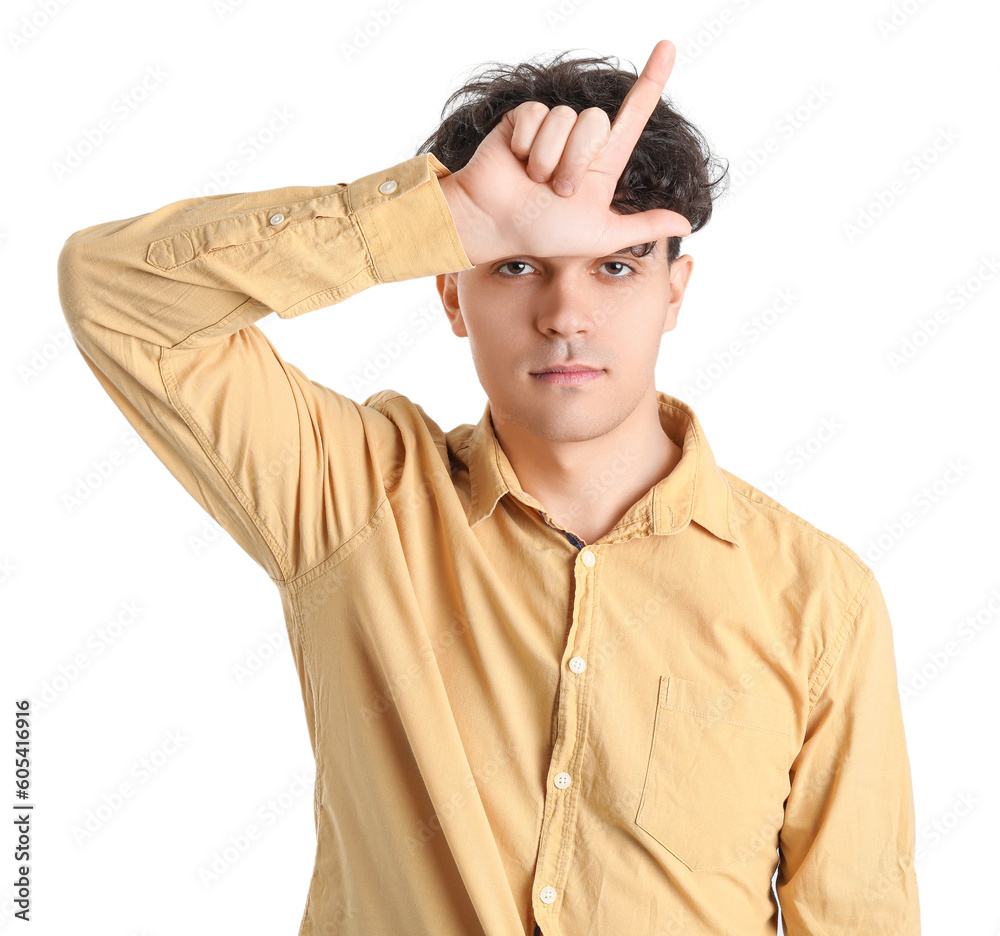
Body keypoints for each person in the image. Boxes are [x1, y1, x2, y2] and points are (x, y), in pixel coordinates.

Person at [57, 38, 920, 936]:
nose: (565, 314)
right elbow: (113, 295)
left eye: (616, 266)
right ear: (451, 293)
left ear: (675, 291)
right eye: (516, 266)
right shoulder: (354, 501)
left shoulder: (820, 599)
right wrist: (444, 210)